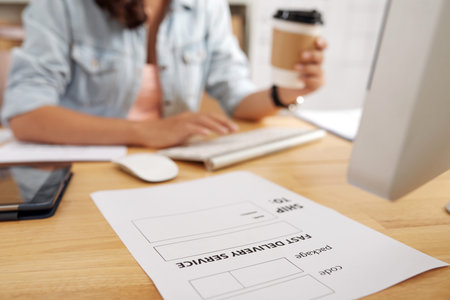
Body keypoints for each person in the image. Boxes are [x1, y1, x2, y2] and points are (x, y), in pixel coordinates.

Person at [1, 0, 326, 148]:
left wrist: (284, 93)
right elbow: (26, 116)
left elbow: (238, 97)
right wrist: (146, 132)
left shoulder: (205, 7)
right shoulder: (61, 6)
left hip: (170, 167)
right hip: (80, 169)